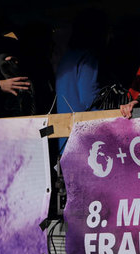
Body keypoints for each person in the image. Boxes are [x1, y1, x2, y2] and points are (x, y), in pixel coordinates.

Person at [55, 9, 109, 152]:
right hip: (85, 145)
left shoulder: (67, 58)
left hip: (66, 141)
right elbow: (89, 99)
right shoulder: (87, 58)